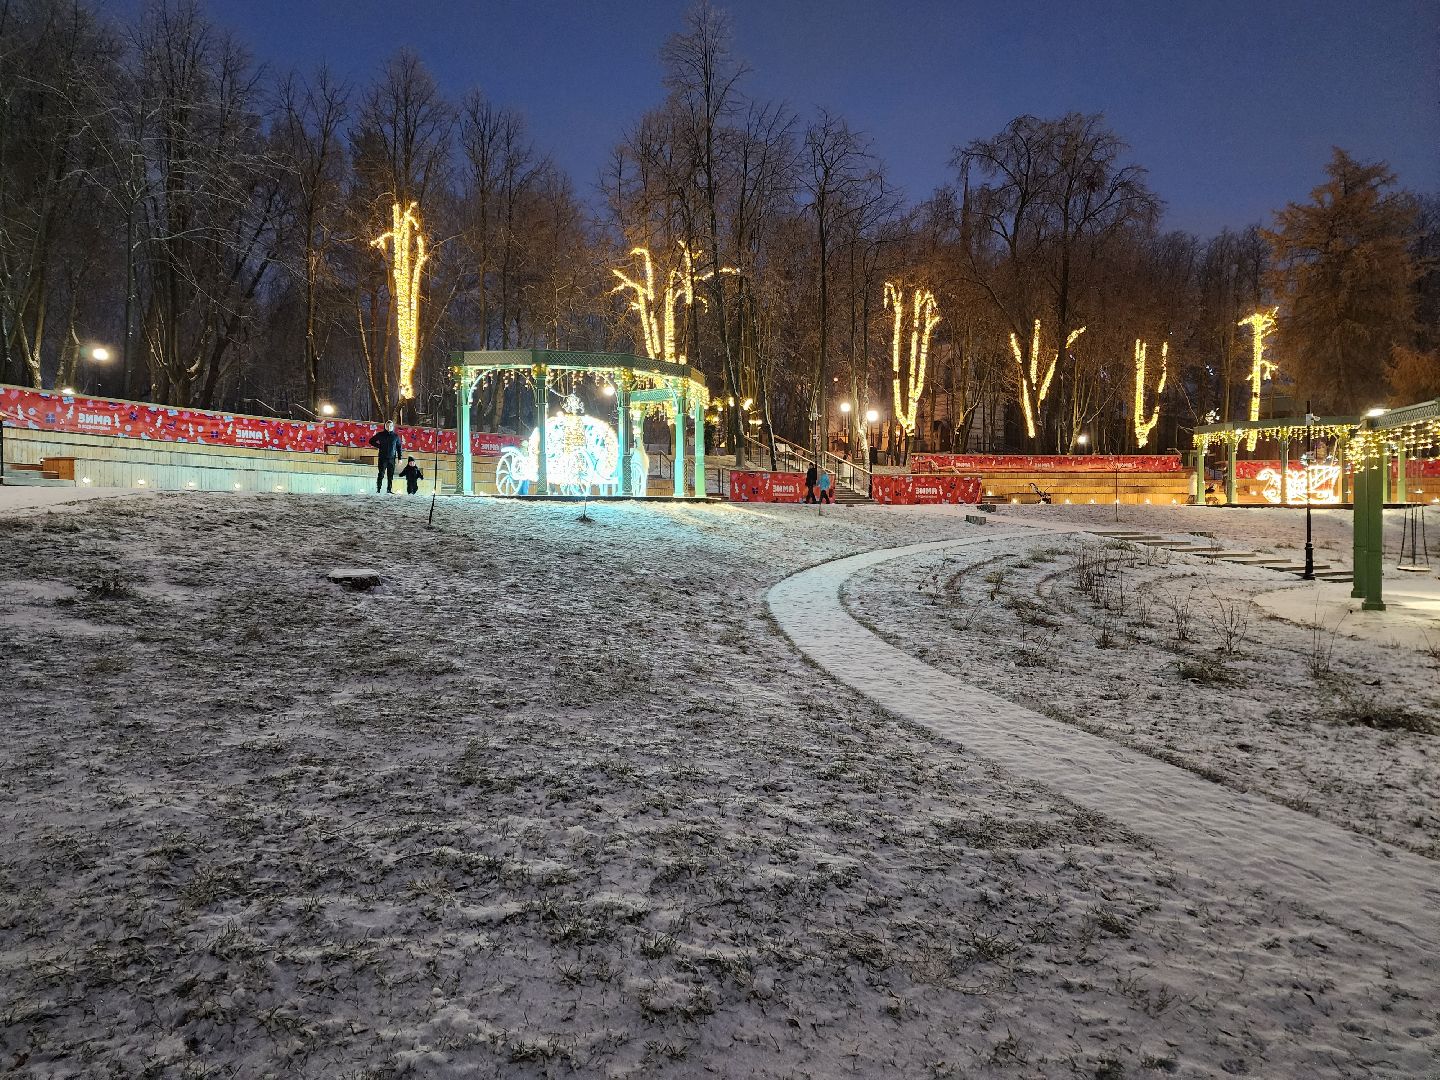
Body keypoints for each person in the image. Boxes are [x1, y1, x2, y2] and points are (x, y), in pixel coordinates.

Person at [368, 421, 403, 493]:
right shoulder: (380, 434)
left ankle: (389, 490)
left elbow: (399, 448)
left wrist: (400, 458)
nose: (389, 427)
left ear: (393, 427)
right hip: (382, 458)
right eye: (387, 426)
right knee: (381, 474)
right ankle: (378, 490)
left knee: (390, 475)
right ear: (385, 426)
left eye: (390, 426)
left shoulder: (395, 436)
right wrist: (379, 446)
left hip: (392, 458)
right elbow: (371, 441)